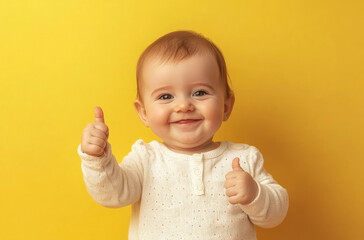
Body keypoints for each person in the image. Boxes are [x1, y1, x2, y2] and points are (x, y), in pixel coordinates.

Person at [78, 30, 289, 240]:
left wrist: (255, 194)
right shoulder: (146, 159)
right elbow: (113, 194)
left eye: (199, 93)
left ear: (226, 105)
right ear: (144, 113)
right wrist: (97, 158)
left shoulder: (243, 159)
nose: (183, 105)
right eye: (166, 96)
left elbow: (276, 214)